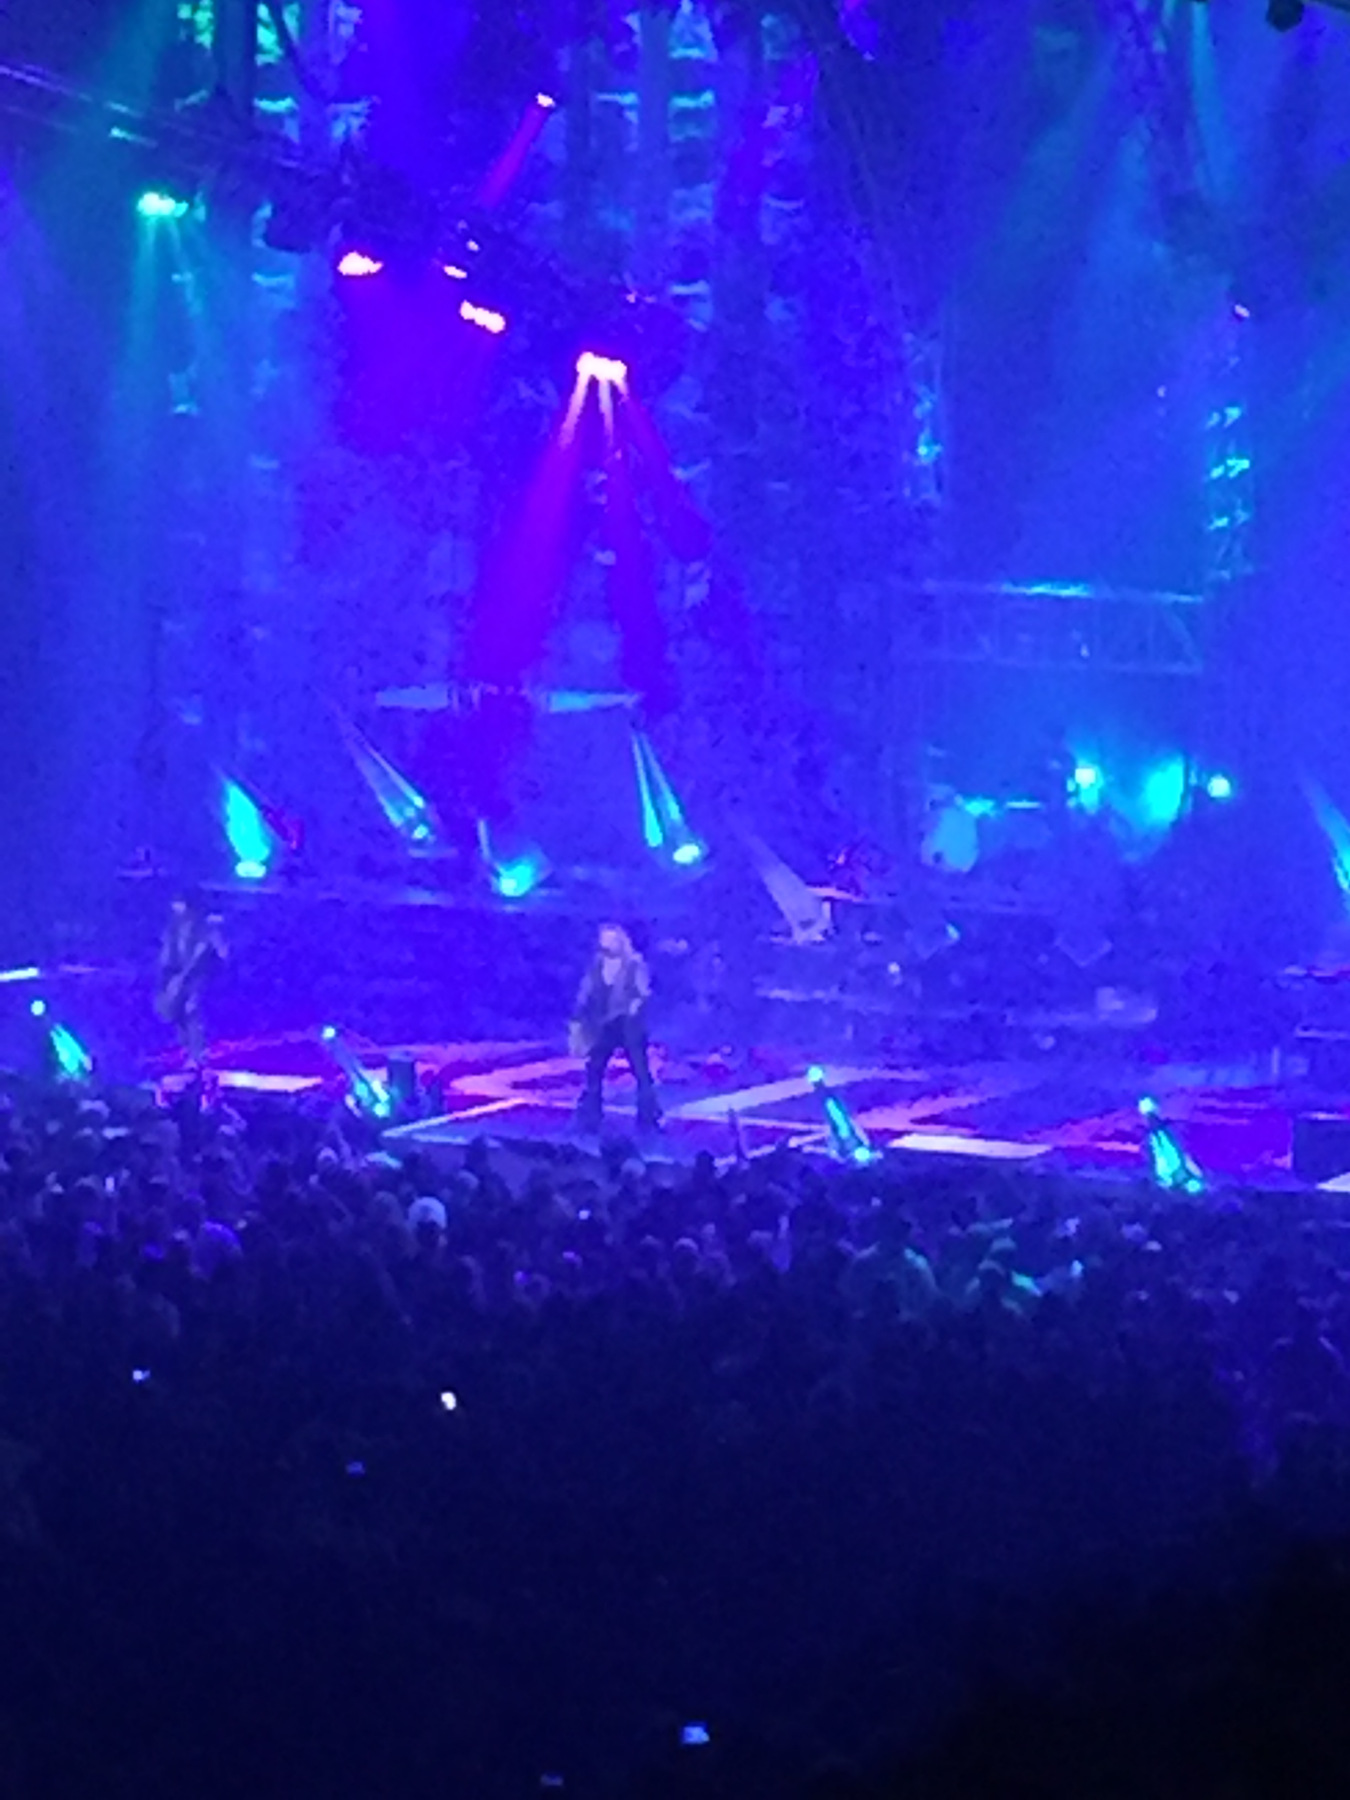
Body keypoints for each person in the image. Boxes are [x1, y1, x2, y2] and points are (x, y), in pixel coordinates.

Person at [569, 923, 662, 1135]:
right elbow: (585, 992)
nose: (607, 944)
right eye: (604, 939)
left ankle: (649, 1116)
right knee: (594, 1069)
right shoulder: (597, 965)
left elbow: (643, 992)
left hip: (628, 1025)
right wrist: (578, 1017)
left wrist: (635, 1005)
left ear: (621, 941)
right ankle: (590, 1115)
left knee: (640, 1071)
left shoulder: (634, 963)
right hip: (604, 1024)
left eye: (611, 939)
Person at [155, 889, 226, 1068]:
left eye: (180, 905)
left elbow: (215, 954)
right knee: (178, 1013)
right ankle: (187, 1050)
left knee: (191, 1010)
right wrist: (168, 977)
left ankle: (199, 1053)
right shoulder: (173, 928)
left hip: (199, 976)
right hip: (178, 975)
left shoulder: (205, 929)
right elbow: (167, 955)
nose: (177, 909)